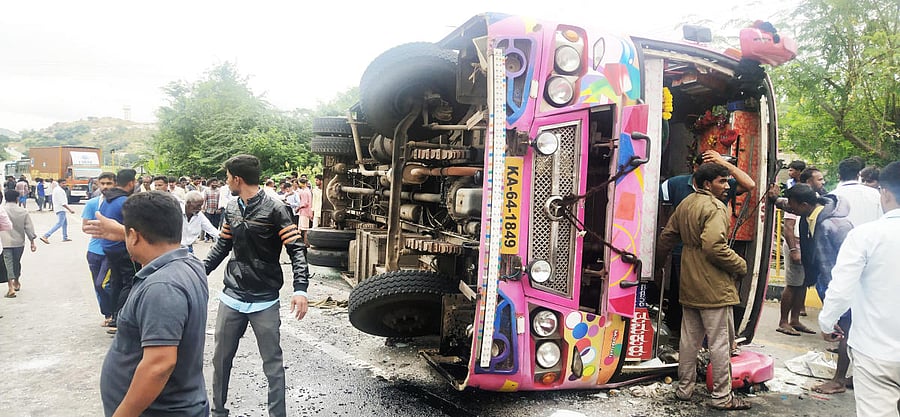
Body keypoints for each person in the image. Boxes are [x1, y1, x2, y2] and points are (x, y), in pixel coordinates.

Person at [204, 154, 309, 417]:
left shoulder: (276, 209)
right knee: (220, 360)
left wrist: (300, 289)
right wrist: (197, 271)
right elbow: (222, 246)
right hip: (232, 296)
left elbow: (296, 250)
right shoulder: (231, 208)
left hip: (264, 299)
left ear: (237, 179)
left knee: (273, 364)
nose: (226, 181)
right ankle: (217, 412)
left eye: (228, 177)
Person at [99, 191, 209, 417]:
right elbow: (156, 246)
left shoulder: (162, 287)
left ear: (135, 235)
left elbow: (159, 365)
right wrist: (125, 233)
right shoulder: (188, 263)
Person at [656, 162, 750, 411]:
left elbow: (667, 237)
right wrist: (740, 265)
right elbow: (714, 246)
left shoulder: (686, 203)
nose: (727, 186)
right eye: (722, 181)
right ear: (708, 184)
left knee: (689, 340)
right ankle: (722, 397)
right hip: (713, 285)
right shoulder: (715, 207)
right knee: (720, 342)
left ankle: (684, 389)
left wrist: (657, 264)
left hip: (689, 279)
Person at [819, 161, 900, 417]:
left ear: (884, 192)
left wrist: (827, 323)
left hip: (876, 351)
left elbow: (842, 289)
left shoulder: (865, 235)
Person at [657, 150, 755, 338]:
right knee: (684, 299)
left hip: (713, 253)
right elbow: (664, 220)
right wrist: (659, 262)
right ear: (697, 170)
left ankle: (697, 344)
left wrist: (723, 164)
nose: (726, 185)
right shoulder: (676, 184)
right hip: (686, 251)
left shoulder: (722, 186)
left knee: (707, 300)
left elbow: (749, 184)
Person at [785, 184, 854, 393]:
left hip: (838, 285)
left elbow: (843, 263)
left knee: (844, 330)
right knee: (848, 330)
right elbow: (787, 204)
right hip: (828, 283)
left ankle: (839, 381)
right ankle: (853, 376)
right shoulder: (813, 214)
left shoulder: (833, 225)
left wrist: (835, 294)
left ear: (804, 204)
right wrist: (774, 199)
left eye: (793, 206)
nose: (790, 209)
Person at [99, 169, 140, 334]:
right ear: (131, 183)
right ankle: (119, 319)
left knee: (116, 282)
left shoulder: (106, 200)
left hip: (108, 247)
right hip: (123, 248)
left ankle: (114, 317)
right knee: (129, 282)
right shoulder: (125, 202)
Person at [83, 172, 116, 327]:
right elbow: (85, 226)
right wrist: (104, 228)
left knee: (103, 284)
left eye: (109, 183)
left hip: (112, 251)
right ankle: (108, 314)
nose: (105, 187)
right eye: (103, 183)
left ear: (115, 184)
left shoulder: (120, 203)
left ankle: (115, 313)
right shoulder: (92, 204)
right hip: (94, 251)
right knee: (97, 285)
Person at [830, 157, 882, 227]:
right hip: (871, 236)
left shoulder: (831, 197)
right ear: (858, 175)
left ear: (839, 176)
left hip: (842, 237)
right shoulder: (874, 194)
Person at [39, 179, 75, 244]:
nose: (64, 184)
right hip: (60, 209)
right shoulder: (59, 191)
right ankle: (46, 236)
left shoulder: (57, 189)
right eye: (63, 183)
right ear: (59, 183)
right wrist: (70, 210)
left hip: (59, 208)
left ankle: (65, 237)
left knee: (64, 223)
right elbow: (63, 202)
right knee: (59, 224)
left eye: (65, 183)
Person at [295, 178, 313, 242]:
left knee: (304, 229)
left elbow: (305, 203)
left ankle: (306, 242)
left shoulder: (305, 191)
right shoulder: (306, 190)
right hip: (304, 211)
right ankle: (305, 242)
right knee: (303, 228)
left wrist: (298, 207)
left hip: (304, 211)